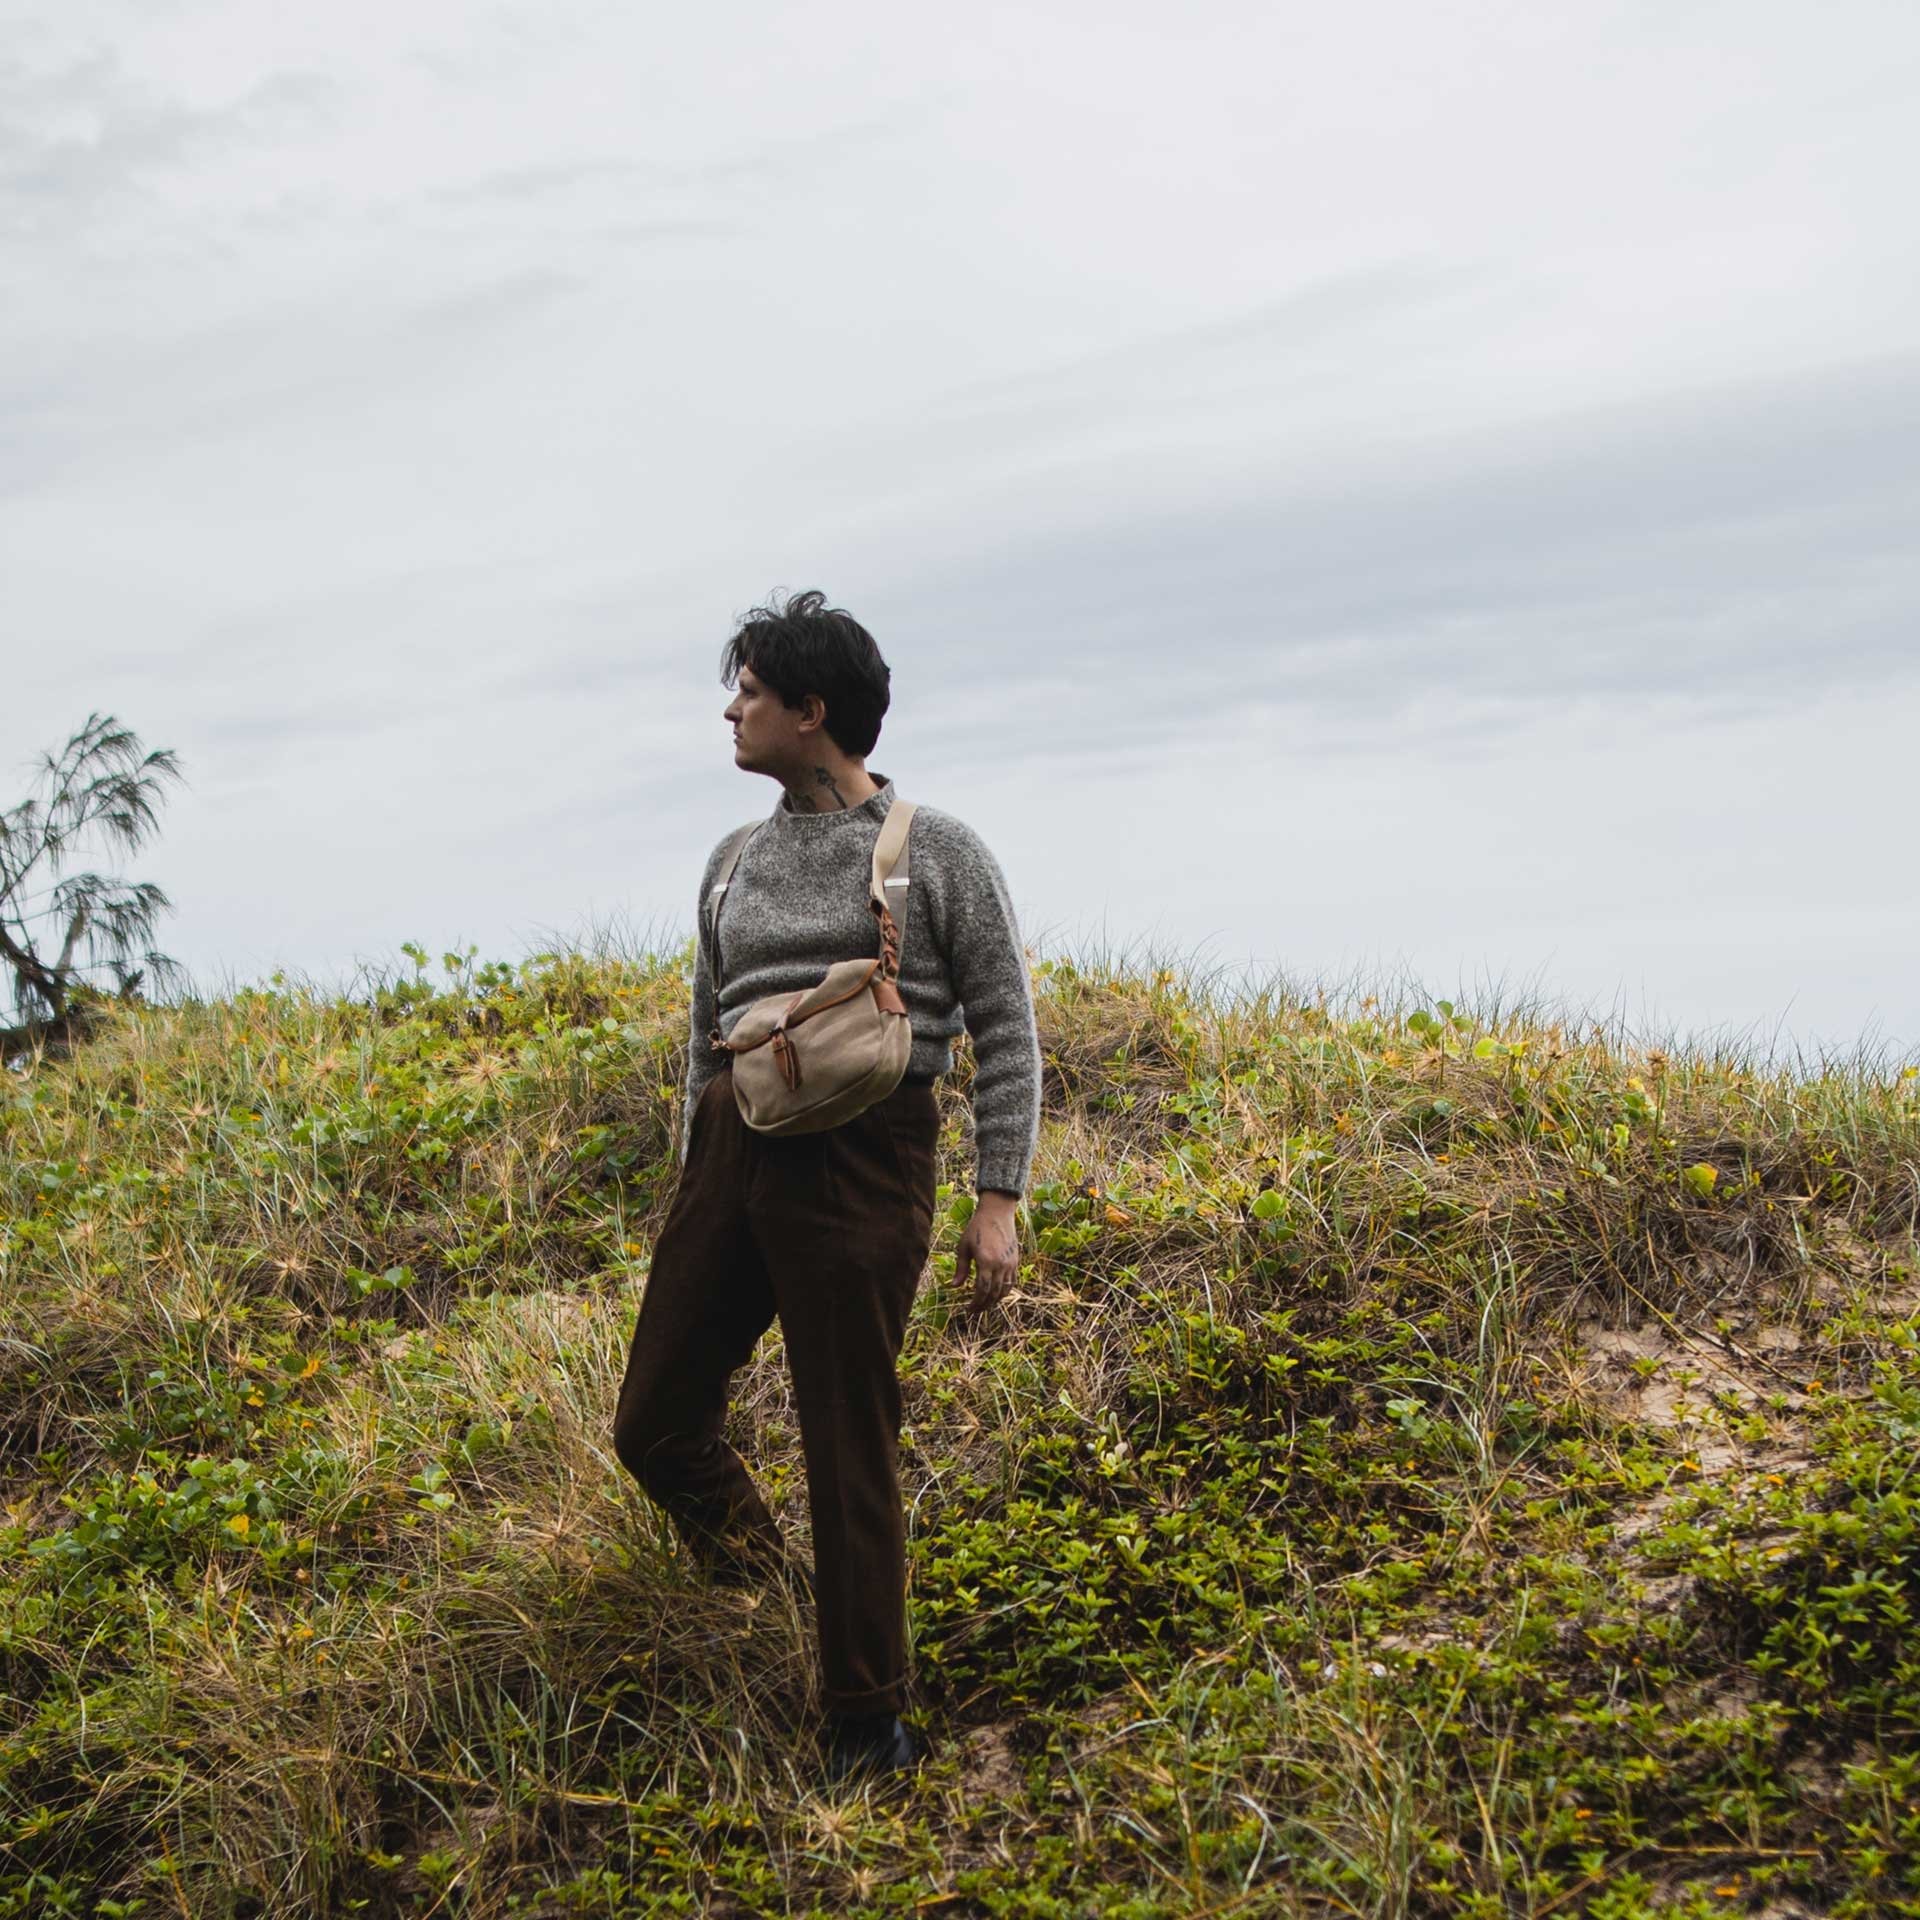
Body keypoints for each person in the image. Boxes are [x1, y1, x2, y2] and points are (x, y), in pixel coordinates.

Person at [612, 589, 1042, 1783]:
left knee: (846, 1437)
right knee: (652, 1422)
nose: (733, 711)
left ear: (813, 711)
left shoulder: (938, 850)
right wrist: (694, 1184)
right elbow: (706, 1032)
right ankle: (777, 1596)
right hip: (735, 1145)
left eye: (750, 691)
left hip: (867, 1153)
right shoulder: (730, 859)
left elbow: (1007, 1028)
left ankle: (868, 1712)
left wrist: (996, 1195)